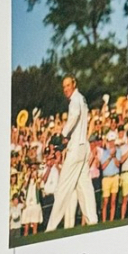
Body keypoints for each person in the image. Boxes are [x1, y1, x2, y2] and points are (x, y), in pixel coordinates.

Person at [46, 75, 96, 233]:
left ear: (74, 84)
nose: (66, 89)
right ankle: (93, 221)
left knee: (62, 188)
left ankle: (51, 228)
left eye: (68, 85)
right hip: (83, 146)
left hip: (76, 149)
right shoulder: (82, 99)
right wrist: (64, 141)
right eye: (64, 86)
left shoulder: (75, 100)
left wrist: (62, 134)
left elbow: (74, 116)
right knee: (84, 187)